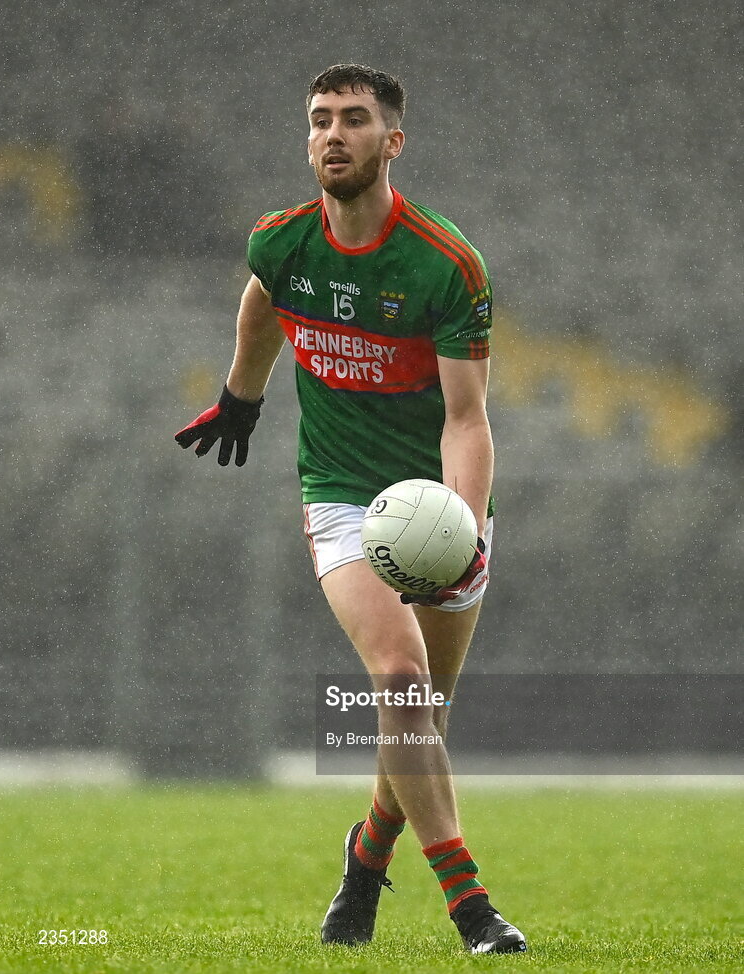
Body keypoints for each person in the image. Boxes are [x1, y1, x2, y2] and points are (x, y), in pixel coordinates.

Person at [175, 63, 526, 956]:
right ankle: (471, 907)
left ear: (392, 141)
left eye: (355, 119)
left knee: (419, 713)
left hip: (437, 503)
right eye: (319, 119)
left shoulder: (447, 264)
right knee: (401, 677)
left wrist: (466, 527)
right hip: (340, 500)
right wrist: (241, 394)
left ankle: (366, 856)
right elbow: (264, 301)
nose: (332, 134)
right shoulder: (281, 242)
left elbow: (466, 417)